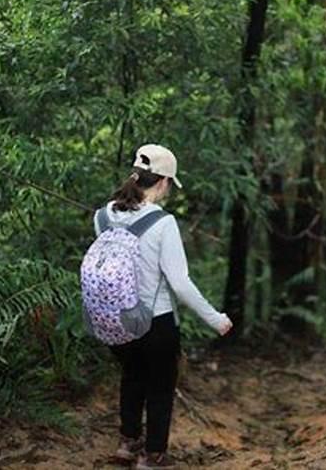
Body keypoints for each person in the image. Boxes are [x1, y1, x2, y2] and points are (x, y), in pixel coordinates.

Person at [93, 144, 233, 469]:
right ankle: (153, 456)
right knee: (159, 387)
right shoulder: (163, 223)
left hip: (117, 320)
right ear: (164, 182)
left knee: (132, 376)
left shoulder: (102, 216)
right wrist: (215, 319)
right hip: (155, 321)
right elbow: (180, 283)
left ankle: (128, 443)